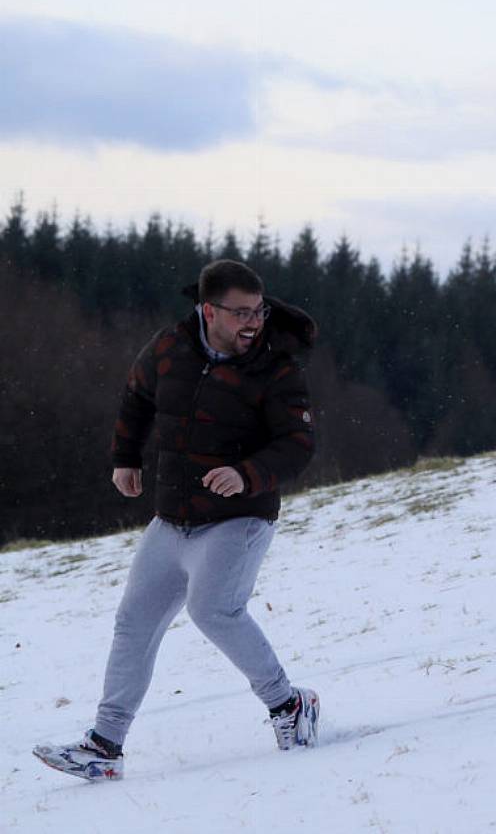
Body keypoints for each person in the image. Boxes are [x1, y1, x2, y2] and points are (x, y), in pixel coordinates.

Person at [34, 259, 321, 781]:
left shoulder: (276, 366)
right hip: (173, 518)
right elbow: (138, 396)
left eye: (258, 310)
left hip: (240, 517)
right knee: (134, 621)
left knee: (213, 610)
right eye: (240, 313)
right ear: (208, 310)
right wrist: (126, 456)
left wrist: (247, 473)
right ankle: (105, 746)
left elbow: (298, 444)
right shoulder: (170, 347)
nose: (252, 322)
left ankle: (288, 705)